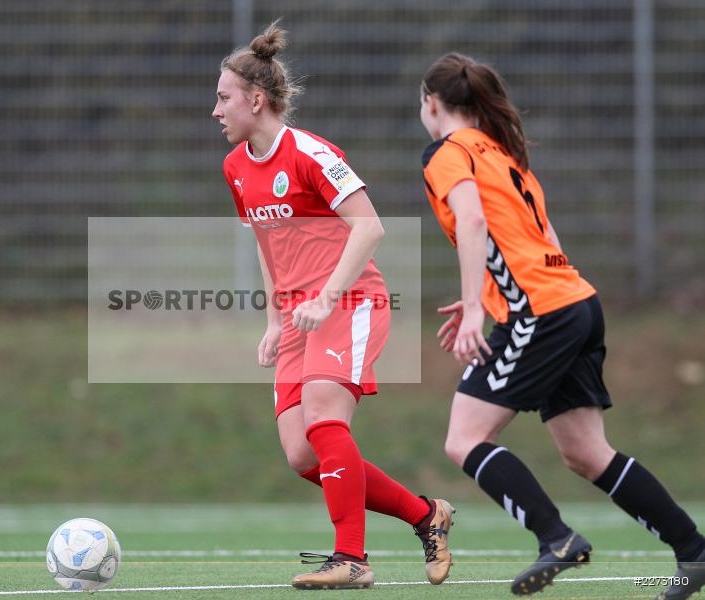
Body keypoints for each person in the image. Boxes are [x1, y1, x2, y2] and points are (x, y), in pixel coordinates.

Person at [419, 52, 705, 599]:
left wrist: (478, 306)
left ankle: (556, 538)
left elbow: (475, 219)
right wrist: (484, 294)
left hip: (541, 312)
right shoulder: (505, 155)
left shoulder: (447, 153)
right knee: (586, 453)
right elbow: (540, 237)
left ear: (431, 104)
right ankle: (694, 551)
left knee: (465, 438)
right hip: (574, 300)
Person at [213, 22, 455, 590]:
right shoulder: (236, 169)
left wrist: (324, 299)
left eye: (223, 97)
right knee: (303, 456)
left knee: (325, 414)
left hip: (349, 301)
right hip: (300, 316)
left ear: (256, 99)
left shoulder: (312, 153)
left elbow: (369, 228)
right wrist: (275, 320)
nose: (215, 110)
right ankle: (428, 516)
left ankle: (352, 559)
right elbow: (267, 242)